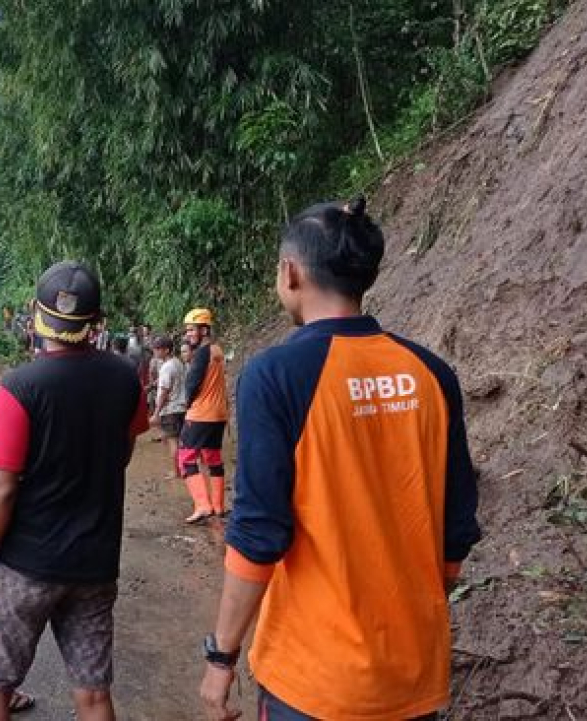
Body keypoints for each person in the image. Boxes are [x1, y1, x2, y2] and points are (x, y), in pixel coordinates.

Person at [198, 198, 482, 721]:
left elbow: (259, 531)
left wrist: (222, 655)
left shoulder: (275, 376)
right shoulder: (431, 374)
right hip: (413, 673)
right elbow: (455, 530)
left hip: (314, 681)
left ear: (290, 273)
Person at [0, 261, 149, 721]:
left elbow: (1, 488)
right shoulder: (125, 377)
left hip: (27, 566)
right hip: (95, 565)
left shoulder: (21, 387)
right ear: (96, 323)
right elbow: (122, 453)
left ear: (35, 315)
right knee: (94, 694)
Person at [178, 307, 230, 523]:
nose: (188, 334)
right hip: (218, 414)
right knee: (213, 458)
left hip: (200, 413)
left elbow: (192, 384)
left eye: (192, 330)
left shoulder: (201, 353)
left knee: (185, 458)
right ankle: (218, 505)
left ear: (204, 330)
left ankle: (202, 505)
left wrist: (187, 405)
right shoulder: (217, 350)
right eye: (187, 330)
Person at [149, 336, 186, 478]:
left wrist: (156, 412)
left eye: (158, 349)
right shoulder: (178, 362)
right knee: (177, 439)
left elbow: (164, 391)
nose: (155, 352)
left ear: (167, 350)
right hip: (181, 406)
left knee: (172, 441)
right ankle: (183, 467)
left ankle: (177, 472)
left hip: (170, 409)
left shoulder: (166, 367)